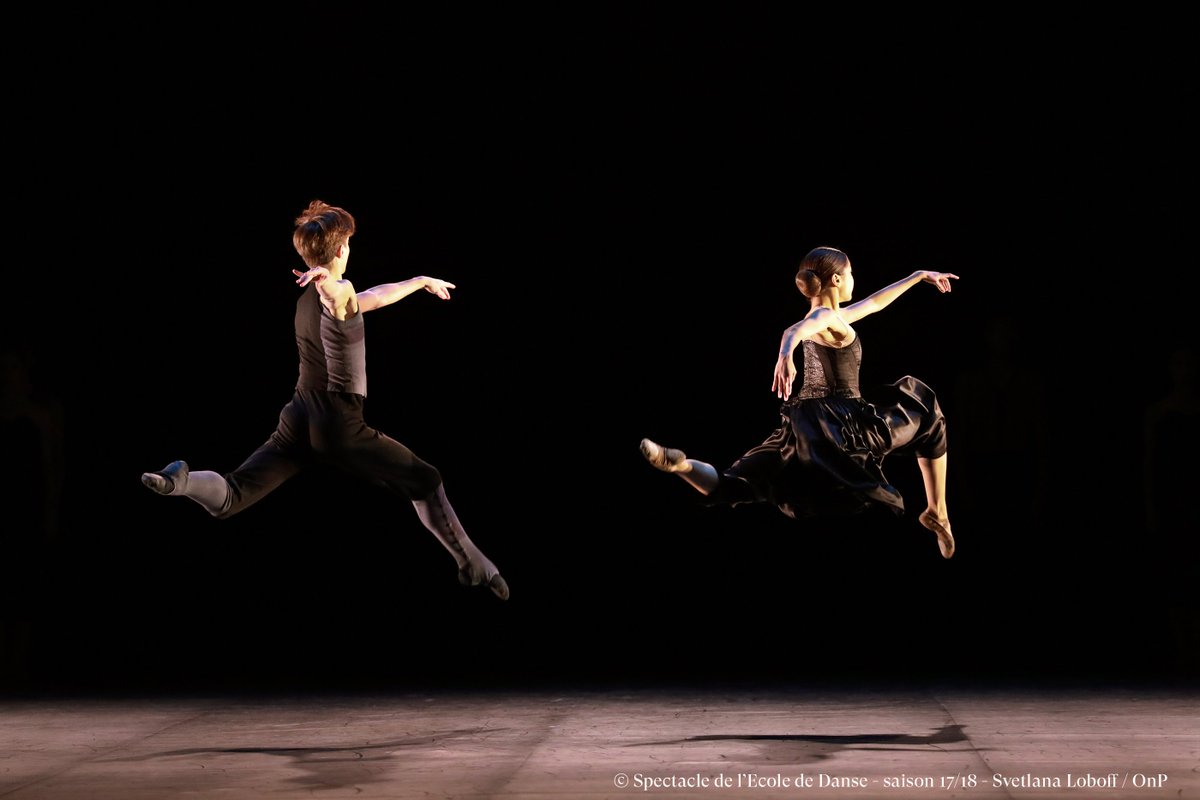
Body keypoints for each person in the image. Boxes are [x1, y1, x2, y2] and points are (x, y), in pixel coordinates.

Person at [141, 200, 508, 599]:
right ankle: (473, 564)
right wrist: (329, 281)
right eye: (348, 243)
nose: (350, 249)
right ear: (339, 251)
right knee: (427, 480)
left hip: (298, 415)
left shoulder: (315, 299)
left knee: (232, 495)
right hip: (340, 423)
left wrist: (420, 280)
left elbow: (375, 296)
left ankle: (180, 482)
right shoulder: (337, 290)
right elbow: (342, 293)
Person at [640, 246, 957, 559]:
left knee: (735, 485)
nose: (853, 279)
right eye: (850, 274)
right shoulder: (822, 317)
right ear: (835, 279)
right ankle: (937, 510)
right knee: (925, 407)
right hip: (844, 424)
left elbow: (875, 302)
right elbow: (795, 330)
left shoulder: (833, 316)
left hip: (803, 427)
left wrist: (917, 277)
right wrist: (784, 354)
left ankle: (681, 465)